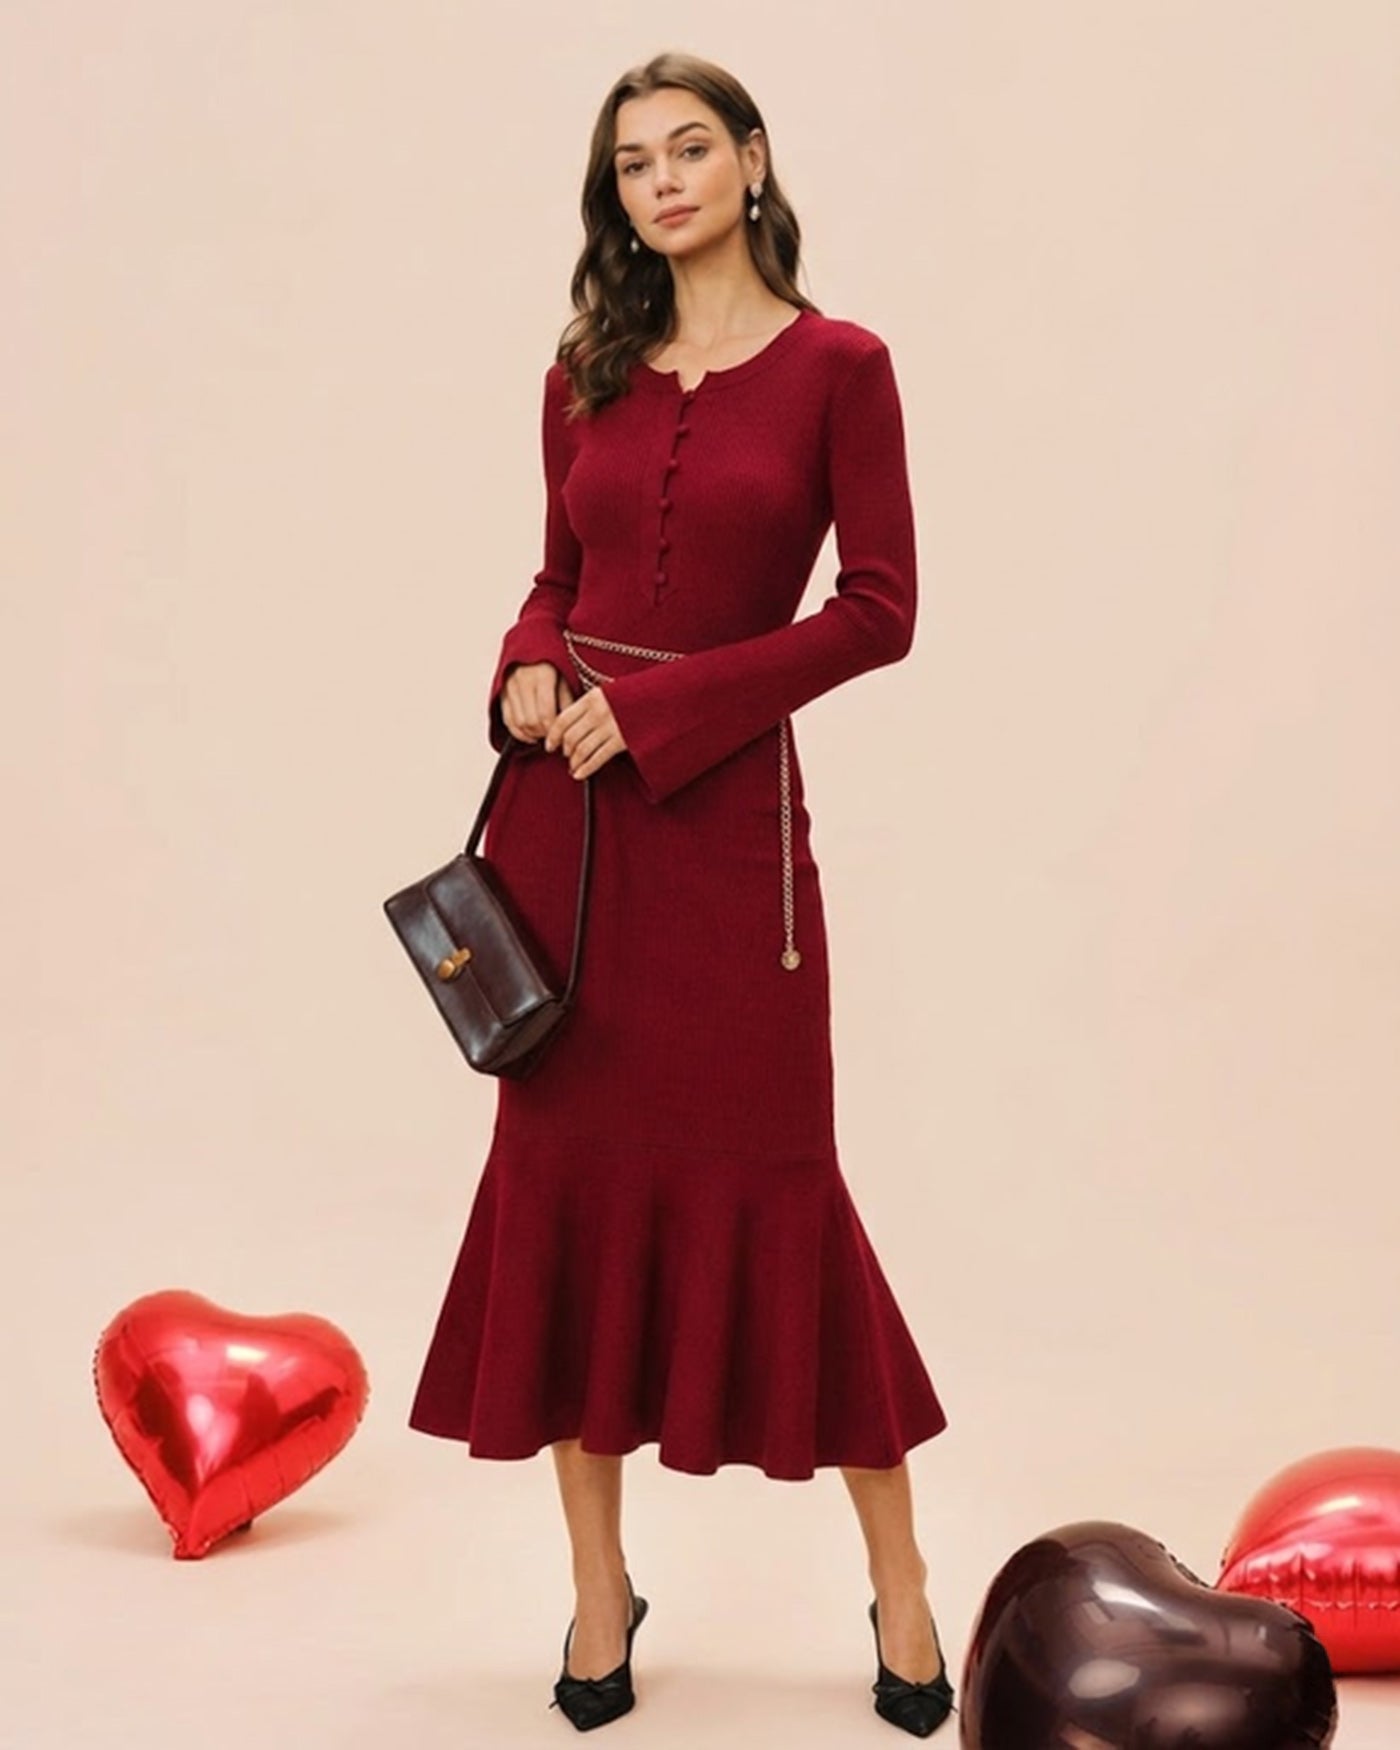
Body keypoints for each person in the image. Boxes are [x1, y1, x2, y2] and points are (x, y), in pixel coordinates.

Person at [407, 50, 954, 1737]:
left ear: (753, 161)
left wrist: (658, 709)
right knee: (564, 1200)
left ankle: (903, 1577)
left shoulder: (843, 369)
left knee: (788, 1191)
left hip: (728, 860)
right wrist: (523, 661)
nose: (662, 179)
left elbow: (879, 609)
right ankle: (598, 1588)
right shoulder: (582, 372)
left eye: (690, 146)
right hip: (564, 851)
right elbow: (555, 575)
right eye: (633, 160)